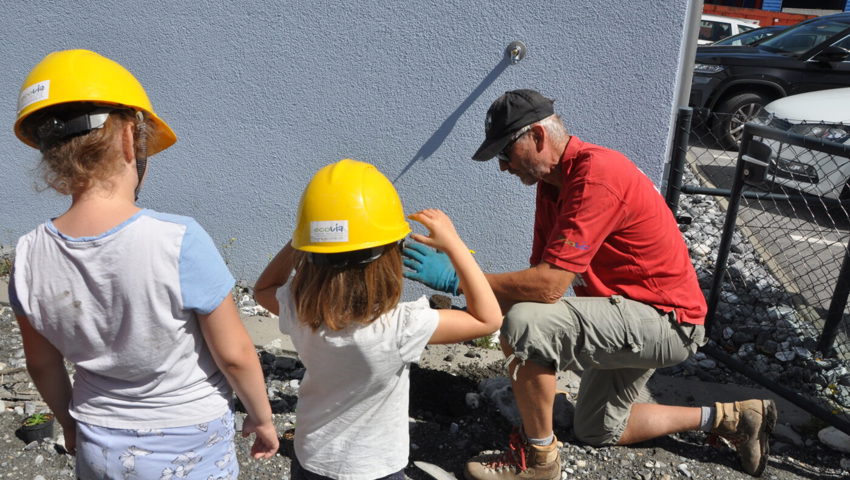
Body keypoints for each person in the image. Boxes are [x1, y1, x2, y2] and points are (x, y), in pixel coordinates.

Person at [403, 89, 777, 479]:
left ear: (537, 137)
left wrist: (460, 278)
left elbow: (546, 289)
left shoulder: (597, 176)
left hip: (668, 322)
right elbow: (535, 283)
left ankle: (539, 461)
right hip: (629, 315)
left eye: (504, 153)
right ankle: (733, 418)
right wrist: (476, 307)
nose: (503, 167)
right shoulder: (553, 187)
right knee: (597, 429)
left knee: (526, 325)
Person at [8, 49, 278, 479]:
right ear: (129, 138)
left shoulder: (27, 255)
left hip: (99, 438)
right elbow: (235, 355)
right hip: (191, 439)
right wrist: (262, 418)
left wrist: (69, 424)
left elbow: (42, 363)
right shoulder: (178, 239)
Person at [254, 159, 502, 480]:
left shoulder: (300, 309)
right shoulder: (401, 327)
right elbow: (489, 318)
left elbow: (264, 288)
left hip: (312, 458)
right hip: (375, 468)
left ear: (309, 251)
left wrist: (305, 235)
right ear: (389, 258)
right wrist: (454, 244)